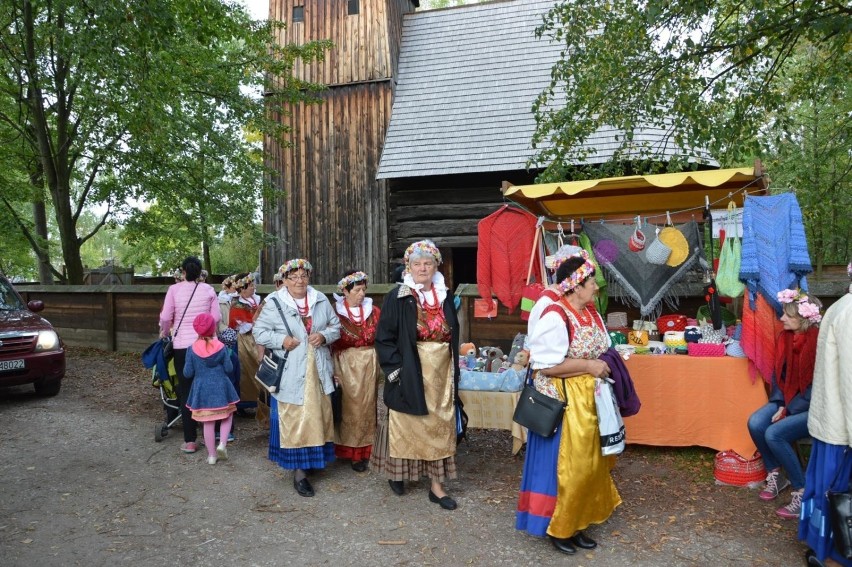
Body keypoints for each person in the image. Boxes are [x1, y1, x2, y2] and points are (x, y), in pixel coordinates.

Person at [516, 250, 621, 555]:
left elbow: (600, 348)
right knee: (566, 468)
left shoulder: (590, 313)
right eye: (591, 282)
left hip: (589, 400)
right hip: (562, 401)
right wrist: (589, 367)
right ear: (575, 285)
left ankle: (578, 522)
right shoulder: (555, 315)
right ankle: (558, 526)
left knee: (589, 465)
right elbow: (544, 365)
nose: (596, 288)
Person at [372, 240, 462, 510]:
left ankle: (437, 487)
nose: (423, 268)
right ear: (408, 267)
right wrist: (395, 370)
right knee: (406, 423)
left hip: (442, 373)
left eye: (428, 263)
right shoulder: (398, 296)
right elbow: (384, 337)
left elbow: (453, 334)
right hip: (411, 369)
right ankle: (399, 474)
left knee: (439, 426)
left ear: (436, 266)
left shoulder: (445, 296)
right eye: (417, 263)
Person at [253, 259, 340, 497]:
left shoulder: (320, 300)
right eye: (294, 277)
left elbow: (336, 326)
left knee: (318, 416)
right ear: (284, 280)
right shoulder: (274, 302)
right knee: (296, 418)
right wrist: (281, 341)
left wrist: (323, 335)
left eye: (303, 276)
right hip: (291, 370)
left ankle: (312, 462)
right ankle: (299, 472)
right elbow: (259, 331)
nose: (299, 281)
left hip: (318, 369)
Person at [748, 288, 822, 519]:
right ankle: (776, 474)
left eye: (787, 316)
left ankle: (802, 490)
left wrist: (788, 409)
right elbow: (779, 377)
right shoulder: (785, 338)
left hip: (816, 407)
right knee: (756, 422)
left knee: (775, 433)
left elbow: (818, 387)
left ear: (803, 318)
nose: (781, 319)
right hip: (788, 401)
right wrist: (780, 403)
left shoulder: (820, 342)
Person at [800, 263, 852, 567]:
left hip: (834, 423)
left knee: (828, 492)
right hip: (841, 429)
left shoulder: (843, 306)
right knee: (838, 494)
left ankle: (823, 549)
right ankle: (833, 556)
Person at [159, 256, 220, 454]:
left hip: (182, 346)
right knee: (206, 387)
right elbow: (216, 317)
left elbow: (166, 317)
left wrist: (164, 331)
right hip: (205, 345)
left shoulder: (174, 290)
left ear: (183, 271)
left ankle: (190, 440)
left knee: (186, 390)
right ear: (200, 272)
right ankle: (212, 433)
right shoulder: (209, 290)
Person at [331, 270, 381, 472]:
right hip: (344, 364)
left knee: (368, 406)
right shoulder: (335, 312)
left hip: (369, 362)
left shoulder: (374, 311)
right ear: (345, 290)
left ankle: (367, 449)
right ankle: (349, 450)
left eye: (364, 289)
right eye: (357, 290)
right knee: (348, 406)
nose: (362, 294)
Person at [183, 313, 240, 465]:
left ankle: (212, 456)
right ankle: (222, 443)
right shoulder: (221, 347)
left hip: (202, 390)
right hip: (221, 388)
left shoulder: (191, 349)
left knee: (208, 423)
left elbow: (187, 373)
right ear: (213, 328)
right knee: (227, 416)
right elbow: (229, 368)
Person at [229, 273, 262, 418]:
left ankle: (262, 401)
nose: (254, 287)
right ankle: (244, 402)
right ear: (242, 289)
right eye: (251, 285)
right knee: (247, 370)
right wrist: (255, 321)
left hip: (259, 339)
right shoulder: (236, 305)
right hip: (246, 341)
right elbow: (241, 327)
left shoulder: (257, 299)